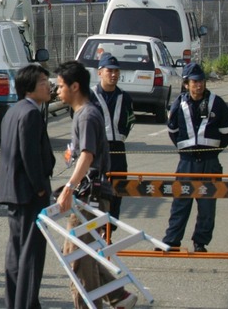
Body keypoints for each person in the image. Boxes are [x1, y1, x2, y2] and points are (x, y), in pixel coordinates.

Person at [55, 61, 137, 309]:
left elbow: (87, 155)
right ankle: (118, 297)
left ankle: (98, 303)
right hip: (88, 194)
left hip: (89, 195)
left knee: (77, 257)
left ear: (75, 86)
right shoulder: (82, 114)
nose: (58, 91)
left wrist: (69, 187)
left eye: (60, 86)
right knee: (83, 254)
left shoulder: (88, 115)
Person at [0, 64, 55, 309]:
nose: (48, 85)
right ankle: (27, 304)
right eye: (43, 81)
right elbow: (29, 154)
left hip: (13, 191)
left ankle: (16, 302)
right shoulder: (30, 113)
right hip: (29, 192)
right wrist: (41, 187)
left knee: (16, 253)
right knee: (31, 255)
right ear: (30, 87)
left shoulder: (13, 110)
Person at [162, 62, 228, 253]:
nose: (198, 85)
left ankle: (200, 242)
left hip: (210, 161)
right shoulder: (179, 104)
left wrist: (212, 152)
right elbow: (172, 131)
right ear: (186, 84)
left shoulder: (217, 103)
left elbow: (227, 135)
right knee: (180, 201)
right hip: (187, 161)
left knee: (207, 204)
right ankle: (172, 241)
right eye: (194, 82)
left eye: (201, 81)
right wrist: (186, 150)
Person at [89, 53, 135, 220]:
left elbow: (130, 121)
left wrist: (120, 135)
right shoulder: (90, 96)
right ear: (100, 72)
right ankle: (96, 233)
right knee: (96, 191)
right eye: (110, 71)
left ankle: (109, 231)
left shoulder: (125, 97)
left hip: (118, 150)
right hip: (97, 151)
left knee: (117, 191)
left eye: (116, 71)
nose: (114, 74)